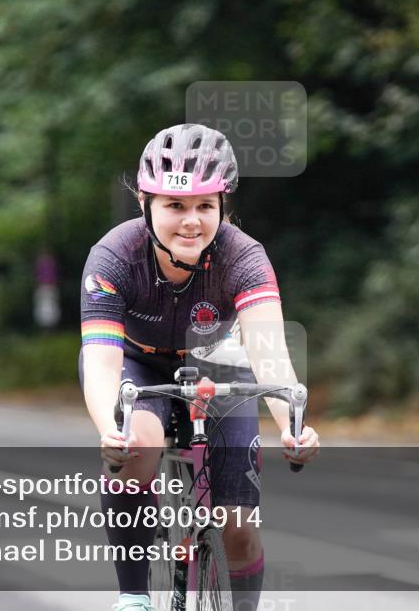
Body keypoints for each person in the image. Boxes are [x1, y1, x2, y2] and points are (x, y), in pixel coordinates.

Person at [80, 123, 320, 611]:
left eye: (205, 207)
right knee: (137, 446)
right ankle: (133, 597)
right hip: (135, 362)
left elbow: (269, 352)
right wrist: (111, 429)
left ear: (222, 208)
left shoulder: (243, 257)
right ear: (145, 203)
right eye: (175, 206)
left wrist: (292, 428)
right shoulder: (113, 256)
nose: (191, 222)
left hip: (218, 366)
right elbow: (103, 362)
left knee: (240, 527)